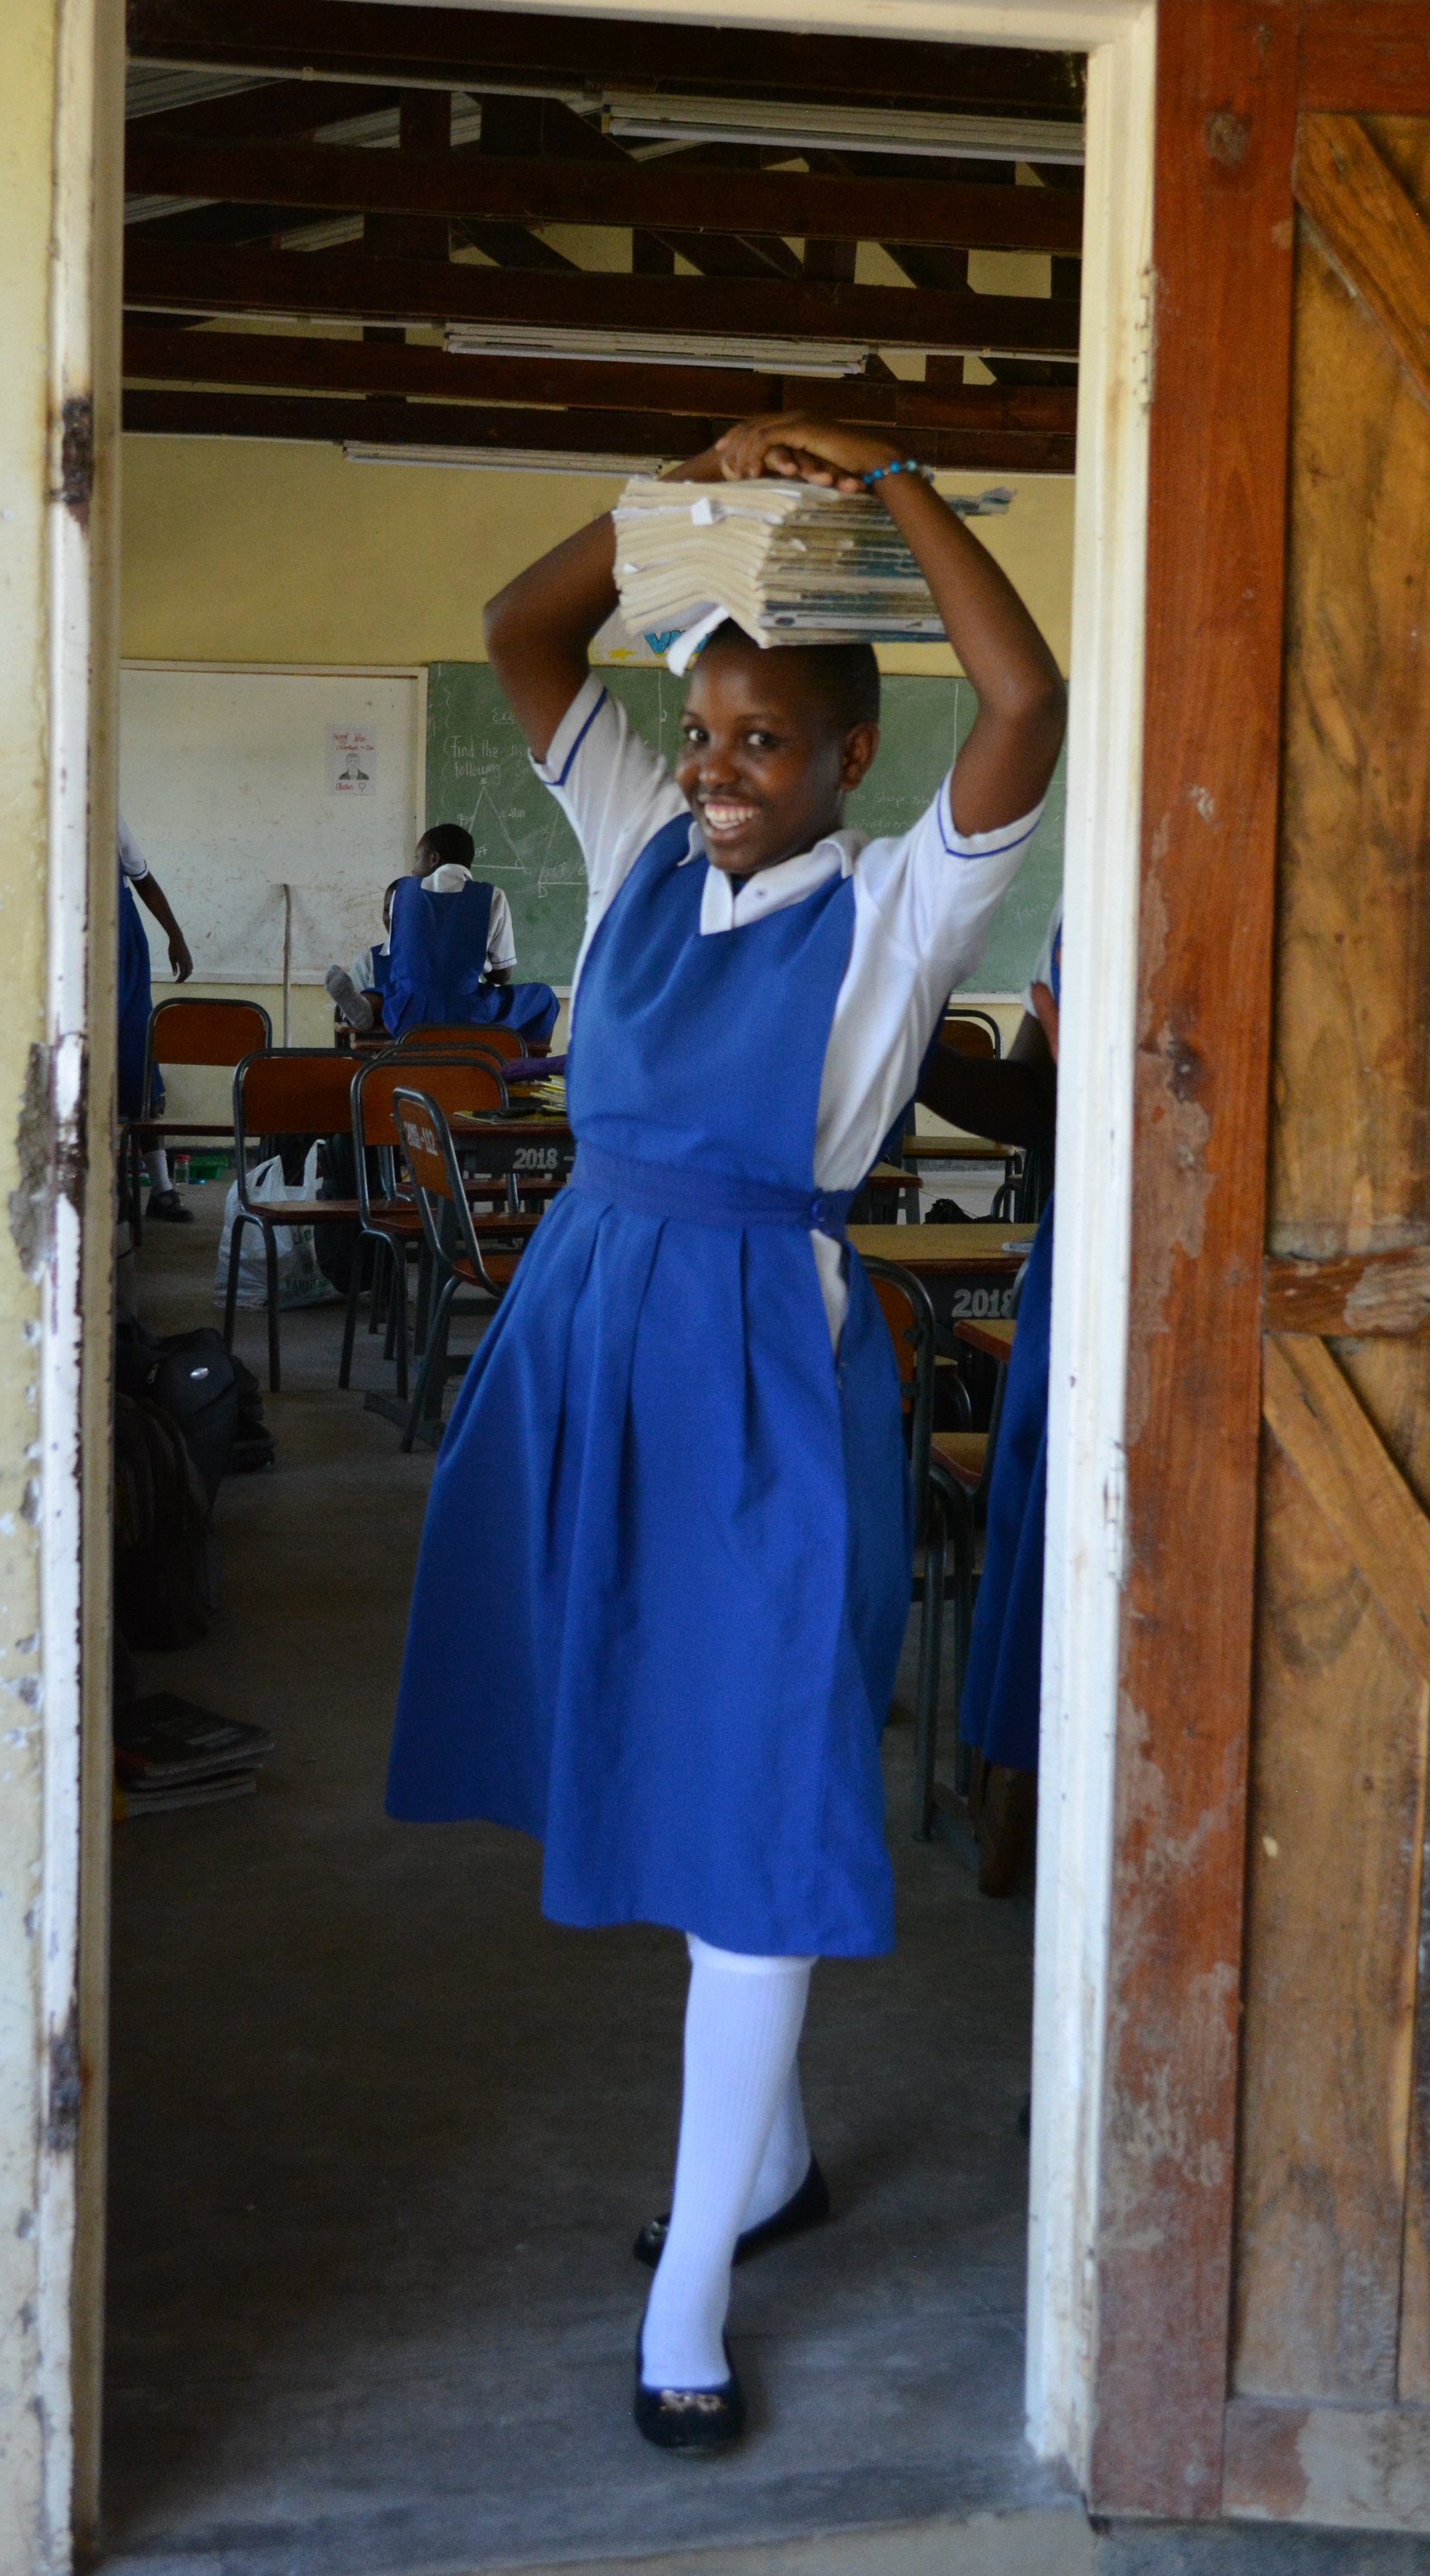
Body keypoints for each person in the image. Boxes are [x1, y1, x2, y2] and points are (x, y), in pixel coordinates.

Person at [383, 416, 1065, 2451]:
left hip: (768, 1366)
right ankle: (765, 2168)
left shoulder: (903, 908)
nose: (718, 768)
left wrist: (891, 472)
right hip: (589, 1334)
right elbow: (519, 631)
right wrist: (675, 510)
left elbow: (1023, 700)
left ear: (852, 754)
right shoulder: (636, 850)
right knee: (658, 1752)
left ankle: (692, 2287)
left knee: (760, 1788)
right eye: (705, 732)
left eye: (766, 741)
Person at [915, 922, 1061, 1896]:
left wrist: (914, 1039)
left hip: (1114, 1244)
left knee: (1046, 1525)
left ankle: (1016, 1799)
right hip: (1094, 1242)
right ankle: (1019, 1798)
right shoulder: (1087, 908)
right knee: (1041, 1523)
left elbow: (1033, 1104)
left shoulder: (1091, 915)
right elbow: (1039, 1103)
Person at [327, 823, 558, 1048]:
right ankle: (523, 1066)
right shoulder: (493, 896)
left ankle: (366, 1008)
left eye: (417, 858)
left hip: (406, 1013)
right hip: (468, 1015)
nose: (413, 870)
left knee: (388, 990)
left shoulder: (402, 893)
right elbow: (502, 976)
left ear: (433, 859)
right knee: (543, 996)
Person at [117, 819, 195, 1224]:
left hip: (123, 948)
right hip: (78, 949)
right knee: (84, 1076)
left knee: (140, 1071)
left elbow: (143, 879)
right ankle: (106, 1184)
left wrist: (175, 935)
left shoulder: (110, 817)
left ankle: (162, 1189)